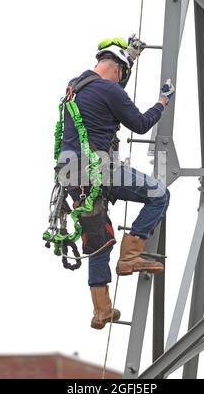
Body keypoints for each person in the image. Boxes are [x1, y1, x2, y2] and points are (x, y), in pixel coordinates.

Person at [57, 36, 174, 329]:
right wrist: (162, 102)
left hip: (72, 175)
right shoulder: (110, 91)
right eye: (123, 71)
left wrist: (130, 59)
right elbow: (140, 123)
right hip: (99, 169)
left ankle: (101, 311)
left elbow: (110, 93)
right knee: (159, 194)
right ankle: (130, 256)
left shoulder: (76, 86)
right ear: (118, 69)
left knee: (98, 240)